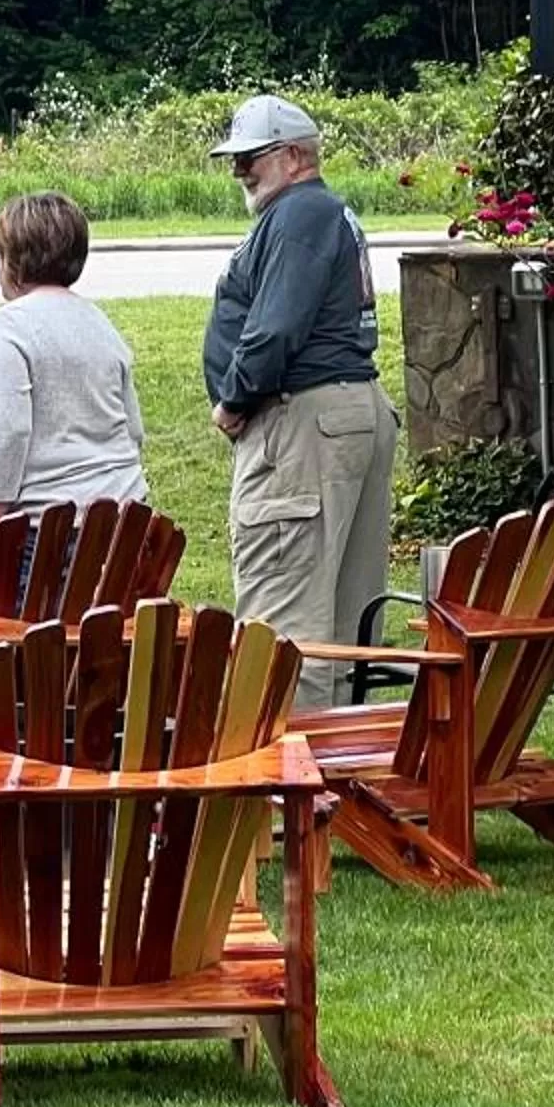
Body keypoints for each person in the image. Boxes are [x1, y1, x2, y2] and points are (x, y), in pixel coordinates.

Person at [202, 94, 398, 706]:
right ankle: (331, 788)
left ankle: (286, 792)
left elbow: (275, 327)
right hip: (344, 411)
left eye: (250, 158)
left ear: (293, 156)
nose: (239, 171)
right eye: (234, 160)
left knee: (283, 633)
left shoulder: (298, 215)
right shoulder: (322, 212)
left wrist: (234, 400)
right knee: (339, 627)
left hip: (303, 423)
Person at [0, 192, 148, 532]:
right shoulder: (100, 323)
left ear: (12, 261)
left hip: (46, 532)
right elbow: (134, 429)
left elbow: (11, 430)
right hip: (125, 523)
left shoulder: (8, 326)